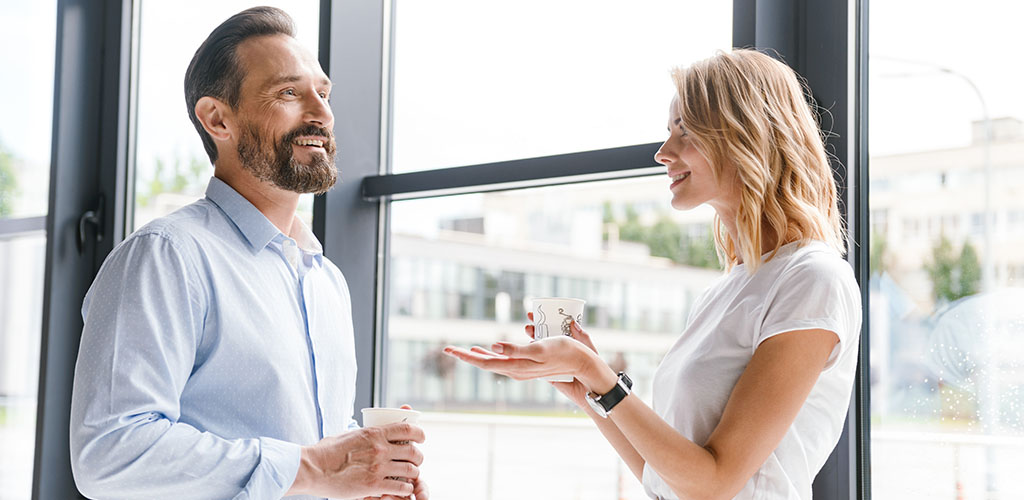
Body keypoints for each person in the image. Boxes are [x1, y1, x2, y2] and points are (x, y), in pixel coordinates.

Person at [444, 49, 861, 500]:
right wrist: (586, 388)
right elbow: (663, 475)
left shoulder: (814, 280)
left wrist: (594, 370)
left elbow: (715, 484)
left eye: (686, 132)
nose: (664, 153)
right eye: (669, 133)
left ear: (747, 136)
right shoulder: (727, 290)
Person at [69, 7, 428, 500]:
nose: (321, 113)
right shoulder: (166, 257)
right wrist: (313, 466)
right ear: (218, 118)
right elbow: (110, 454)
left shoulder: (326, 280)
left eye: (323, 93)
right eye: (288, 93)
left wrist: (366, 478)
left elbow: (311, 459)